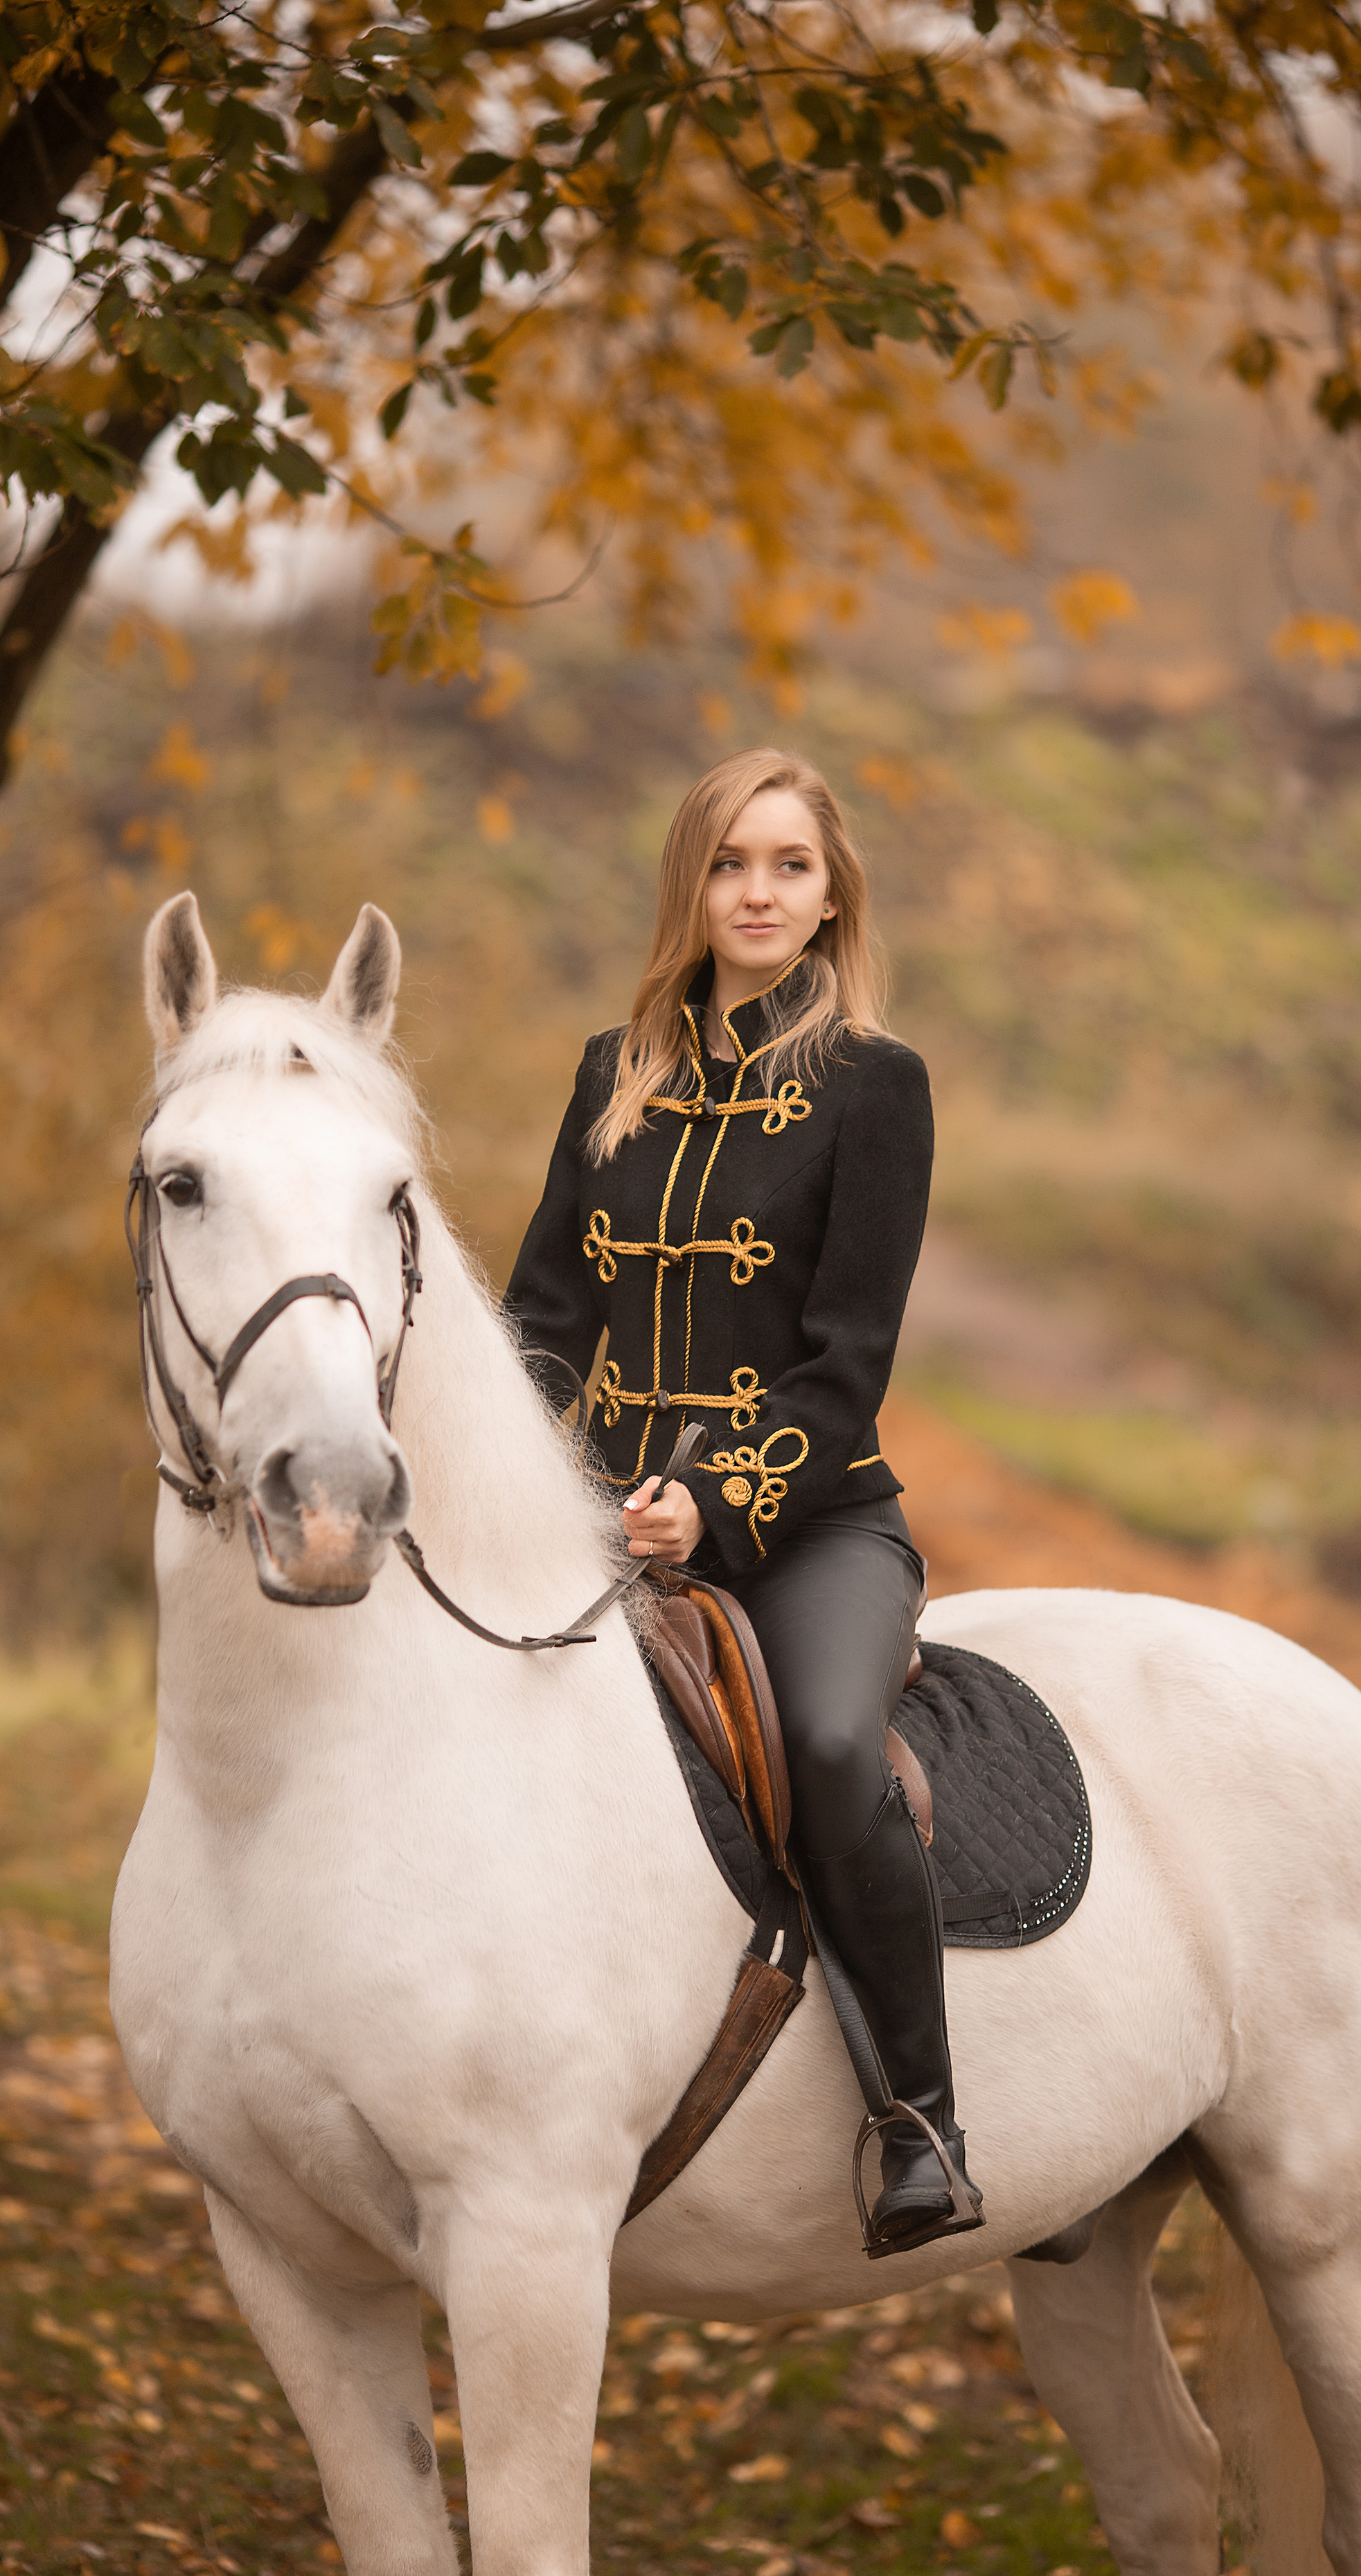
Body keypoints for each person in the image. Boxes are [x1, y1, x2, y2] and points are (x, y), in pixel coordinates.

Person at [502, 746, 983, 2253]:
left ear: (829, 891)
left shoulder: (874, 1087)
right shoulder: (611, 1070)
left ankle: (919, 2121)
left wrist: (705, 1505)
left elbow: (846, 1366)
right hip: (596, 1517)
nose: (757, 891)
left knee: (834, 1746)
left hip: (810, 1521)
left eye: (786, 864)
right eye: (728, 863)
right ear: (689, 887)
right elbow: (538, 1317)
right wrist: (524, 1481)